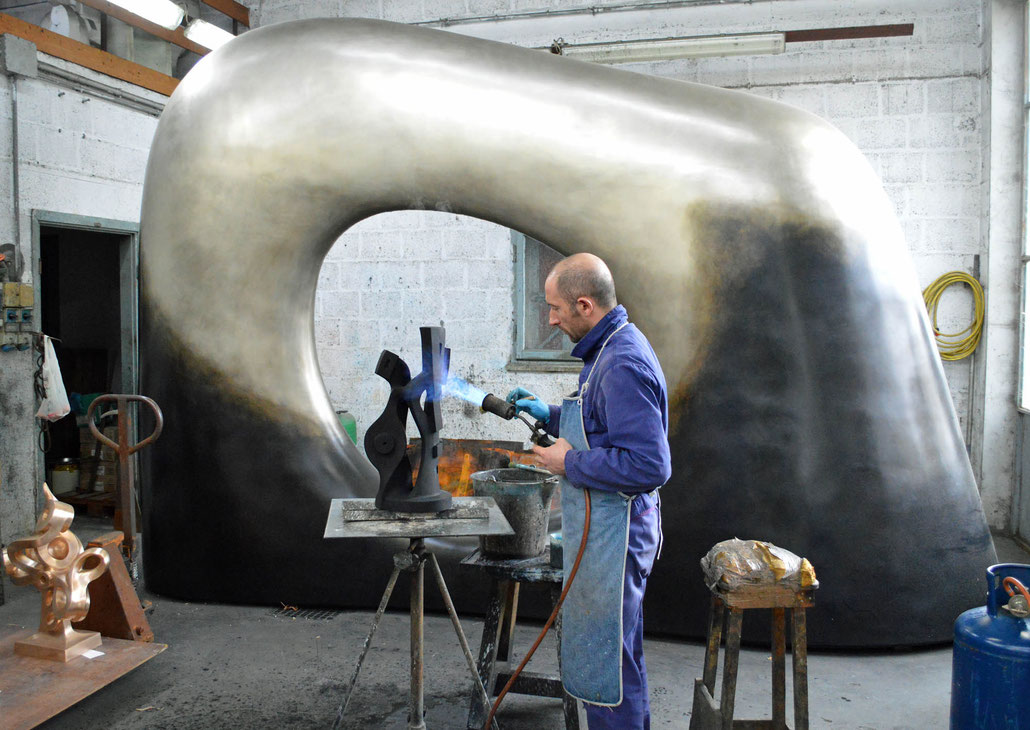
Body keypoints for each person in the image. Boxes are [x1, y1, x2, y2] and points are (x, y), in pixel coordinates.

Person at [507, 252, 671, 730]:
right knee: (617, 658)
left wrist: (568, 462)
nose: (550, 319)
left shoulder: (621, 362)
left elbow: (650, 464)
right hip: (611, 528)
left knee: (606, 664)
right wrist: (552, 416)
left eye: (555, 308)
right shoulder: (609, 348)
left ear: (584, 305)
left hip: (619, 534)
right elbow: (603, 424)